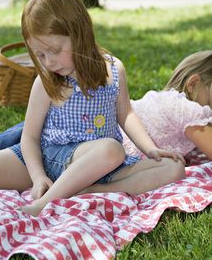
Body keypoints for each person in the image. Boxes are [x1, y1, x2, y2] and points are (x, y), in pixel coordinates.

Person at [0, 0, 184, 217]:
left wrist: (151, 148)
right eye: (40, 55)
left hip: (101, 168)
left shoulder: (114, 70)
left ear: (80, 33)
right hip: (48, 160)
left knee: (174, 168)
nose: (48, 62)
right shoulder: (46, 82)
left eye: (54, 50)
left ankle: (88, 190)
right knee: (111, 148)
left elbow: (126, 114)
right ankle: (47, 199)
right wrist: (38, 178)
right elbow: (30, 137)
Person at [80, 50, 212, 195]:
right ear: (193, 84)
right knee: (174, 169)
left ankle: (89, 188)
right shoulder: (189, 109)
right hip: (115, 159)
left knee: (174, 168)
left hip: (92, 151)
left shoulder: (171, 101)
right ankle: (98, 191)